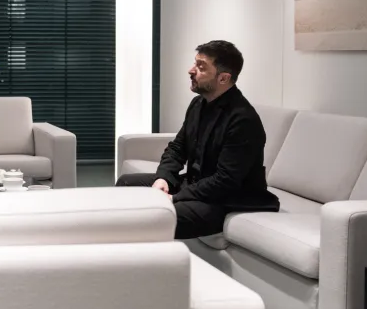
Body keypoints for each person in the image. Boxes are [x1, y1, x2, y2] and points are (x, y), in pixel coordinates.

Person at [116, 40, 279, 239]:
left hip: (224, 199)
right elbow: (177, 148)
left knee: (153, 216)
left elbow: (225, 181)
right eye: (195, 63)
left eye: (201, 67)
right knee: (126, 184)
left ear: (223, 78)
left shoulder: (242, 120)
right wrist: (163, 178)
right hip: (195, 185)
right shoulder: (198, 104)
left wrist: (174, 197)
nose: (191, 70)